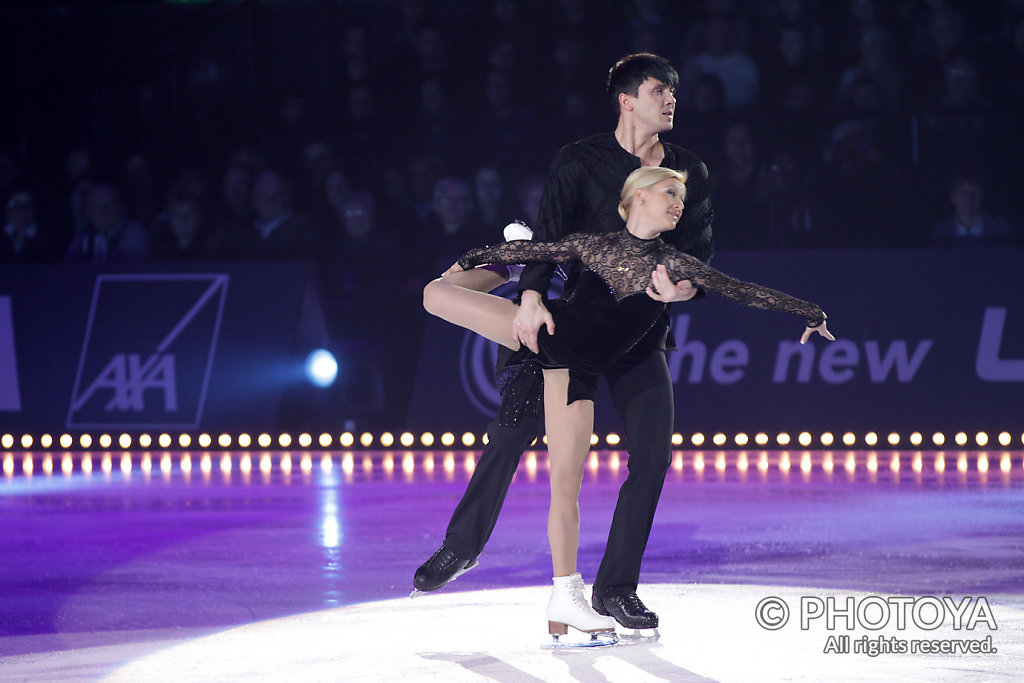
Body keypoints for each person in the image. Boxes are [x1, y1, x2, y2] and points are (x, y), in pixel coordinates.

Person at [422, 165, 833, 639]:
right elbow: (537, 248)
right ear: (637, 198)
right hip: (543, 333)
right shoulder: (595, 243)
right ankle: (505, 278)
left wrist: (811, 312)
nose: (680, 202)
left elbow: (741, 290)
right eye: (670, 193)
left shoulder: (675, 266)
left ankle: (566, 595)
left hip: (572, 374)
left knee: (565, 484)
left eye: (682, 196)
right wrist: (482, 255)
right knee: (436, 293)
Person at [413, 53, 714, 632]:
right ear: (628, 100)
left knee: (653, 457)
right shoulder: (580, 161)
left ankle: (615, 589)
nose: (672, 99)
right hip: (569, 324)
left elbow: (700, 255)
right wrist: (528, 295)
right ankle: (462, 547)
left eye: (674, 91)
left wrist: (683, 291)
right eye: (660, 90)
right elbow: (551, 236)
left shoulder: (688, 171)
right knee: (511, 434)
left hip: (639, 335)